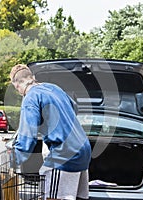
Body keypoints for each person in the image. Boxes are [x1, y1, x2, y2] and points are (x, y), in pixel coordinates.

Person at [10, 64, 92, 200]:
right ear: (32, 77)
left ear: (17, 85)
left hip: (64, 153)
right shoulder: (53, 88)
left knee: (50, 194)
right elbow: (74, 108)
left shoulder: (30, 97)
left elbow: (27, 136)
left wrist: (13, 159)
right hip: (83, 149)